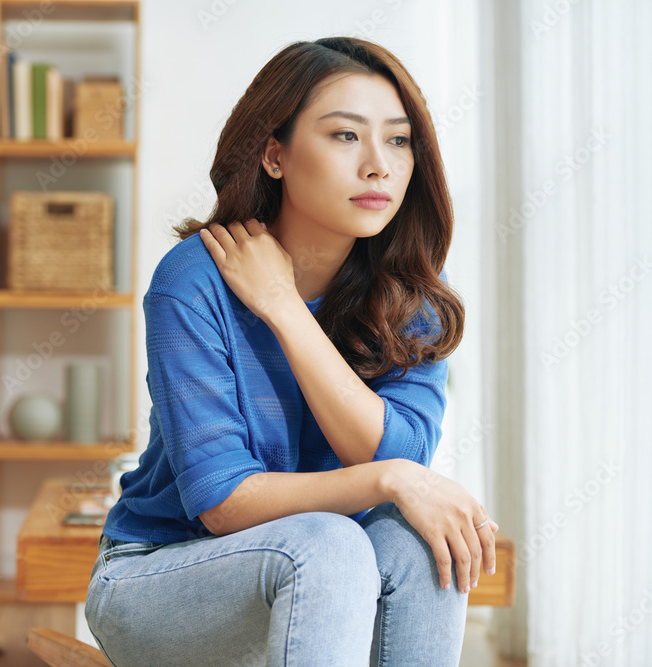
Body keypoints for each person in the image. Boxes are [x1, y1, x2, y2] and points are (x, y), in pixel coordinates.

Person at [84, 38, 499, 666]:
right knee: (331, 542)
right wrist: (391, 478)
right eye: (344, 136)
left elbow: (396, 452)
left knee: (419, 541)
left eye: (398, 140)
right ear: (275, 155)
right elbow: (221, 502)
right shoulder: (196, 279)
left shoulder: (410, 300)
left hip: (327, 577)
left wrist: (283, 308)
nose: (378, 165)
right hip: (160, 576)